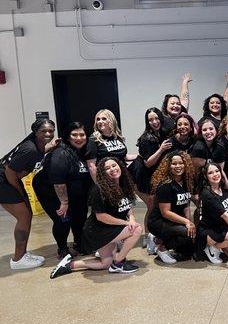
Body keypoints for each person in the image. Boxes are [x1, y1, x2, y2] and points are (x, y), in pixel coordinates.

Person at [50, 157, 142, 278]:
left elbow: (127, 206)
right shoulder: (99, 190)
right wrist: (126, 224)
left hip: (110, 228)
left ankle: (70, 265)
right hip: (98, 231)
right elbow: (101, 217)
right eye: (107, 168)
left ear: (120, 166)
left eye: (114, 165)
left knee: (105, 263)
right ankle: (118, 263)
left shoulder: (124, 185)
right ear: (102, 173)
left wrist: (131, 218)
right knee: (137, 229)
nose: (112, 169)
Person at [0, 119, 60, 269]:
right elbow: (10, 172)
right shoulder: (30, 149)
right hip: (3, 180)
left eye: (51, 131)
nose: (48, 133)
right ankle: (18, 259)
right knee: (24, 215)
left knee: (27, 215)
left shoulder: (37, 145)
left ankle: (22, 254)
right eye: (43, 131)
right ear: (35, 132)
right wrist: (21, 193)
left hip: (7, 179)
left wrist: (50, 147)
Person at [33, 122, 92, 258]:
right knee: (63, 219)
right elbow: (58, 182)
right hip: (51, 192)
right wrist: (64, 203)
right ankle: (63, 249)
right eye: (74, 135)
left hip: (73, 190)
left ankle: (79, 243)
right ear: (68, 136)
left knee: (80, 216)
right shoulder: (60, 154)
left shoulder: (84, 151)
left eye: (82, 135)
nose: (79, 138)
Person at [131, 108, 172, 254]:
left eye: (156, 118)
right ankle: (148, 237)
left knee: (156, 206)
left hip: (155, 176)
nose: (154, 122)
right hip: (141, 175)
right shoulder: (146, 138)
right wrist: (161, 149)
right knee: (151, 206)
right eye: (150, 120)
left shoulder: (164, 133)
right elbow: (148, 163)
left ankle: (154, 235)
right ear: (147, 122)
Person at [147, 151, 196, 264]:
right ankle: (162, 249)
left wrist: (190, 222)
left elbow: (186, 205)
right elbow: (166, 213)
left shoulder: (186, 181)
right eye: (174, 164)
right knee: (186, 233)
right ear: (168, 166)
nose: (178, 166)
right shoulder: (165, 185)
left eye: (181, 163)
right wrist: (186, 223)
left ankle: (156, 240)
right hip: (158, 221)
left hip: (174, 221)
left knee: (188, 251)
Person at [197, 162, 228, 265]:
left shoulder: (224, 190)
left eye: (217, 171)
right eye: (210, 173)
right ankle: (211, 248)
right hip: (208, 231)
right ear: (206, 176)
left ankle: (218, 245)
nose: (215, 174)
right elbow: (225, 215)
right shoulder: (207, 193)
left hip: (221, 228)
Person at [87, 109, 137, 182]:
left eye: (104, 119)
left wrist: (141, 157)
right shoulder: (94, 140)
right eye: (98, 119)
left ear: (111, 120)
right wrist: (99, 185)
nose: (100, 121)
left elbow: (124, 156)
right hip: (107, 177)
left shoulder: (117, 137)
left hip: (121, 174)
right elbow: (91, 166)